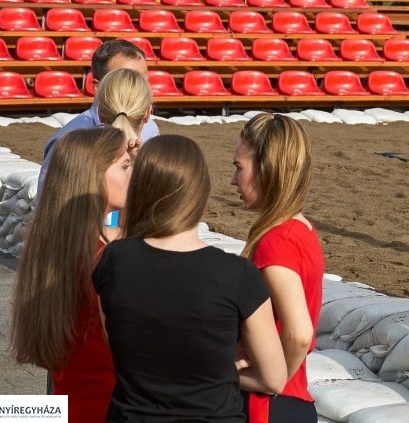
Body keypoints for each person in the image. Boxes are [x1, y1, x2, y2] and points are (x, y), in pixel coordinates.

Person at [93, 135, 286, 422]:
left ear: (139, 190)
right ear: (200, 192)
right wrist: (221, 368)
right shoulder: (237, 276)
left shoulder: (114, 261)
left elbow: (118, 343)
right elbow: (274, 379)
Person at [12, 127, 132, 422]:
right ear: (95, 176)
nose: (135, 175)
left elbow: (135, 232)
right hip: (108, 410)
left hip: (70, 404)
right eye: (126, 166)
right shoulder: (103, 259)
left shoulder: (58, 242)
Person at [232, 114, 325, 423]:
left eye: (239, 168)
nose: (233, 181)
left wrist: (270, 380)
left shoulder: (276, 241)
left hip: (269, 406)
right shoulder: (302, 228)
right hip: (293, 399)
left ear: (267, 171)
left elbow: (299, 333)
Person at [36, 39, 159, 203]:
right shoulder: (69, 142)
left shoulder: (150, 130)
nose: (135, 89)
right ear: (97, 87)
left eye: (142, 81)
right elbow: (48, 209)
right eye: (122, 80)